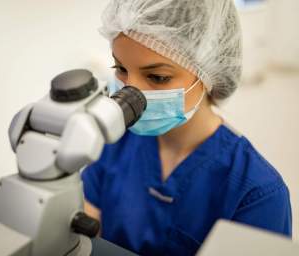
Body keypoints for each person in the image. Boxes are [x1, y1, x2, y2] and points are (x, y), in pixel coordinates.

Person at [81, 0, 292, 255]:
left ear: (209, 71)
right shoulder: (115, 140)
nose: (130, 90)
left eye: (158, 77)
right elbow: (83, 235)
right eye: (121, 69)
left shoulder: (256, 193)